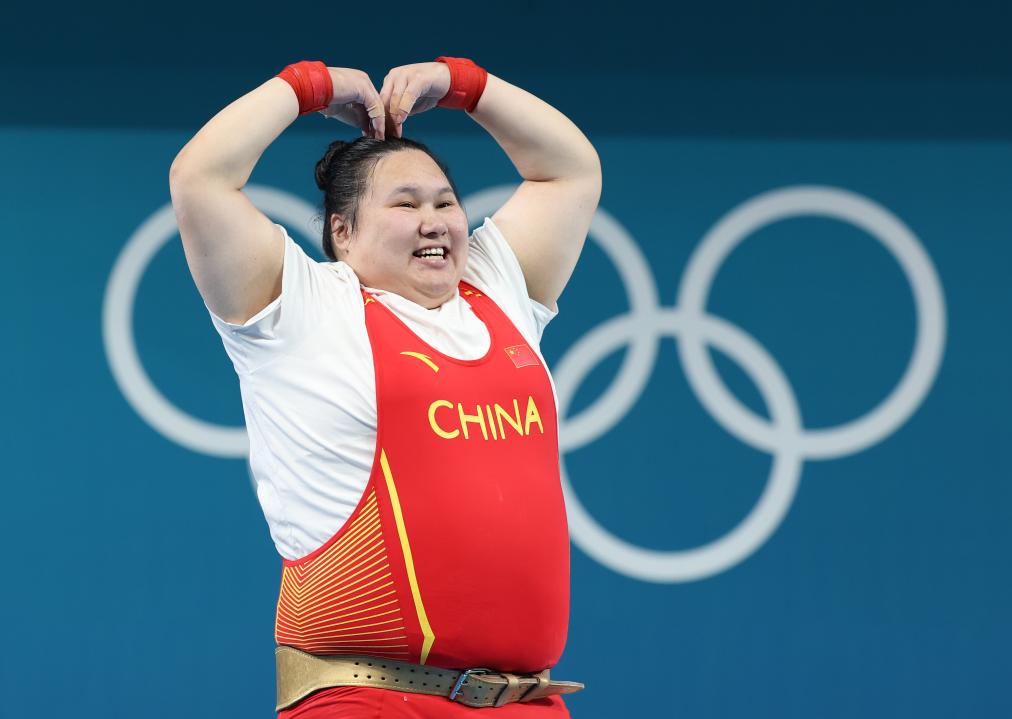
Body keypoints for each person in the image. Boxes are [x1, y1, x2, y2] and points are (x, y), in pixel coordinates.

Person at [169, 57, 601, 718]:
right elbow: (200, 178)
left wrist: (463, 83)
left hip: (525, 701)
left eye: (446, 202)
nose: (436, 221)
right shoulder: (303, 309)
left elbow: (570, 170)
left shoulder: (497, 288)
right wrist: (309, 86)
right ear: (342, 232)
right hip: (367, 699)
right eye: (406, 203)